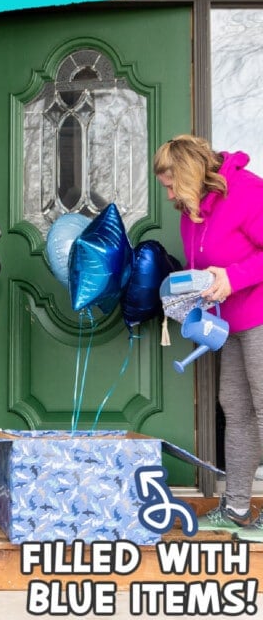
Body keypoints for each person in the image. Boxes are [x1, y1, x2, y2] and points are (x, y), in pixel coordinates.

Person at [154, 134, 263, 542]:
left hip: (261, 313)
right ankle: (235, 507)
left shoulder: (248, 192)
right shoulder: (192, 208)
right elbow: (204, 261)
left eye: (169, 184)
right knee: (235, 407)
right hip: (231, 321)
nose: (167, 195)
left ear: (189, 173)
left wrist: (233, 277)